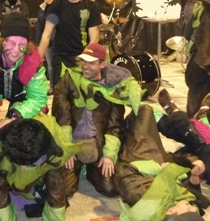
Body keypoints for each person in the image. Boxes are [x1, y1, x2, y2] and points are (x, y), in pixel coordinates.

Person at [51, 42, 143, 198]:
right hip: (72, 142)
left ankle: (90, 169)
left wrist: (109, 156)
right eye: (83, 61)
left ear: (102, 64)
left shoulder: (112, 88)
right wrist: (66, 148)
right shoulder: (69, 79)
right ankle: (78, 165)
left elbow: (114, 126)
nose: (85, 66)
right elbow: (61, 115)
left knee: (110, 189)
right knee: (63, 190)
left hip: (97, 143)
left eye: (91, 63)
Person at [114, 104, 207, 221]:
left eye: (189, 211)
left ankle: (119, 136)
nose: (193, 210)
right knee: (196, 157)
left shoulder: (142, 196)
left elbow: (124, 169)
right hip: (163, 164)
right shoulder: (171, 208)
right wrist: (194, 176)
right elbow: (190, 194)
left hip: (140, 157)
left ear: (170, 212)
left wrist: (159, 168)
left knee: (144, 109)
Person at [0, 115, 80, 221]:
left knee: (64, 187)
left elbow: (56, 184)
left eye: (27, 164)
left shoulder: (52, 145)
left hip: (42, 161)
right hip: (11, 166)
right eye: (22, 163)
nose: (24, 167)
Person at [37, 0, 101, 86]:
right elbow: (46, 35)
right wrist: (36, 61)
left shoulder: (91, 7)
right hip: (60, 59)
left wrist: (87, 59)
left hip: (82, 60)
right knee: (60, 94)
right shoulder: (56, 6)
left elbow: (94, 38)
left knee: (82, 95)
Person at [36, 0, 58, 92]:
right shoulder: (42, 10)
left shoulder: (59, 8)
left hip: (58, 41)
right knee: (50, 65)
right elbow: (39, 27)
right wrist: (38, 41)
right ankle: (53, 87)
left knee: (57, 64)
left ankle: (57, 86)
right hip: (47, 42)